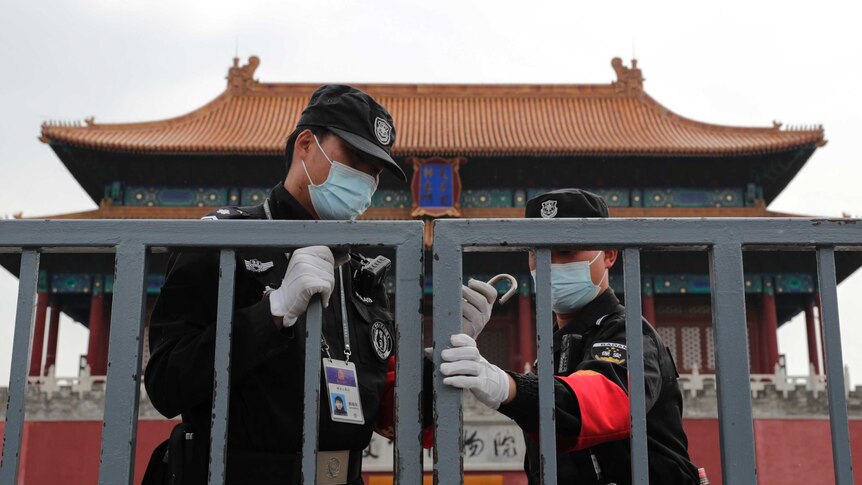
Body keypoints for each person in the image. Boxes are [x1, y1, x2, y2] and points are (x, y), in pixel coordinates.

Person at [142, 84, 498, 485]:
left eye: (375, 171)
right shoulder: (223, 242)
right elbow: (165, 384)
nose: (365, 180)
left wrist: (442, 358)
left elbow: (386, 414)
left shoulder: (363, 268)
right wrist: (270, 314)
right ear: (307, 144)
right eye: (355, 160)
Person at [440, 189, 701, 485]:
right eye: (539, 252)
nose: (551, 264)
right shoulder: (553, 344)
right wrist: (445, 346)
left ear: (609, 255)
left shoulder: (628, 332)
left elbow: (605, 400)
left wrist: (507, 385)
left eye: (566, 251)